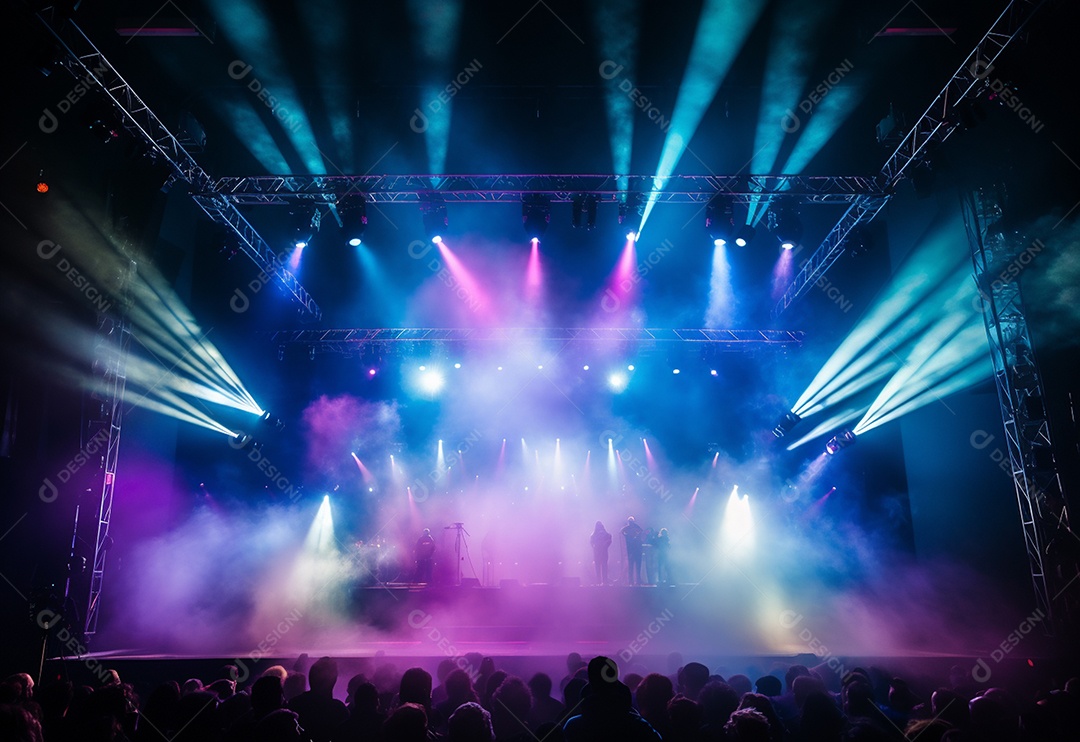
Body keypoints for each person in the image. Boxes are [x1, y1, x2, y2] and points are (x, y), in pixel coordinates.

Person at [621, 517, 644, 585]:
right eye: (630, 522)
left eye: (632, 522)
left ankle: (638, 580)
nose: (631, 523)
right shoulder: (626, 529)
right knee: (631, 566)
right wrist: (627, 535)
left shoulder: (636, 528)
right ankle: (631, 580)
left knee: (638, 566)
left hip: (637, 550)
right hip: (630, 551)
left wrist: (637, 535)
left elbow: (641, 531)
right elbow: (621, 531)